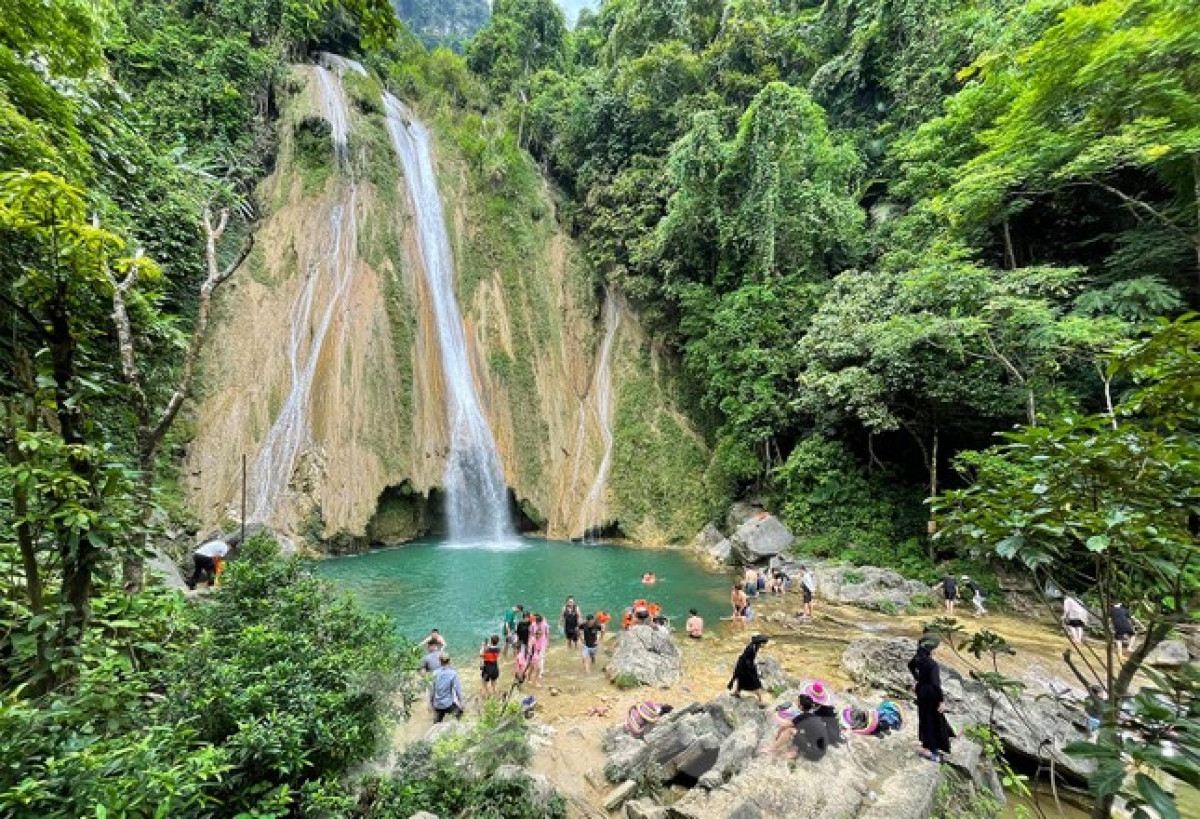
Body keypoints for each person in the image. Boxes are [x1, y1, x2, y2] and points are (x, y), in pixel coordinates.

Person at [908, 633, 951, 762]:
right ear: (932, 648)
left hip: (921, 691)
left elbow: (910, 666)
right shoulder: (932, 665)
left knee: (925, 719)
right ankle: (934, 752)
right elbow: (936, 685)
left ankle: (928, 745)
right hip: (931, 693)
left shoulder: (917, 658)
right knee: (934, 720)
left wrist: (917, 680)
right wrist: (941, 701)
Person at [728, 634, 769, 704]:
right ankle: (761, 700)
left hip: (746, 665)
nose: (764, 645)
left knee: (741, 680)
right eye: (764, 644)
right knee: (755, 683)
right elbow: (746, 660)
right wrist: (752, 669)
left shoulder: (755, 646)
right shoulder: (751, 648)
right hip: (744, 666)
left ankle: (737, 692)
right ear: (761, 642)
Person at [429, 653, 464, 722]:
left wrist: (431, 703)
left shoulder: (435, 673)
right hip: (448, 704)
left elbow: (432, 690)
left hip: (437, 704)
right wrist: (461, 702)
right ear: (449, 661)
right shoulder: (453, 674)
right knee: (460, 714)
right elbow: (457, 690)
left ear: (440, 662)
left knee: (436, 723)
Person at [530, 613, 550, 686]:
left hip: (543, 643)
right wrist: (530, 642)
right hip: (535, 642)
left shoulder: (545, 624)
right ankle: (534, 671)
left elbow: (547, 633)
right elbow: (531, 633)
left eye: (539, 622)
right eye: (537, 622)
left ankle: (540, 672)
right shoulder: (533, 624)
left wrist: (548, 643)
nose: (538, 623)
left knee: (541, 657)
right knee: (534, 658)